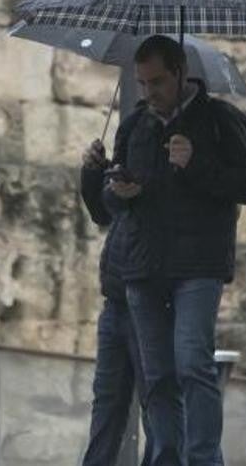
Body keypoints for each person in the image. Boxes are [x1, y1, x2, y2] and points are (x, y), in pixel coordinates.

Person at [106, 36, 246, 466]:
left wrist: (195, 164)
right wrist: (112, 185)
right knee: (158, 378)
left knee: (192, 364)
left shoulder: (220, 120)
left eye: (157, 82)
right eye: (142, 83)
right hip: (143, 265)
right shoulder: (134, 125)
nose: (149, 92)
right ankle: (166, 458)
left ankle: (204, 459)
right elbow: (108, 205)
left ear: (180, 72)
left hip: (199, 264)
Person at [80, 137, 159, 466]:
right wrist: (94, 172)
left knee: (156, 407)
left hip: (151, 296)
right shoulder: (135, 127)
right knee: (107, 405)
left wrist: (137, 188)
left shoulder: (174, 133)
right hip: (115, 297)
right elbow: (104, 209)